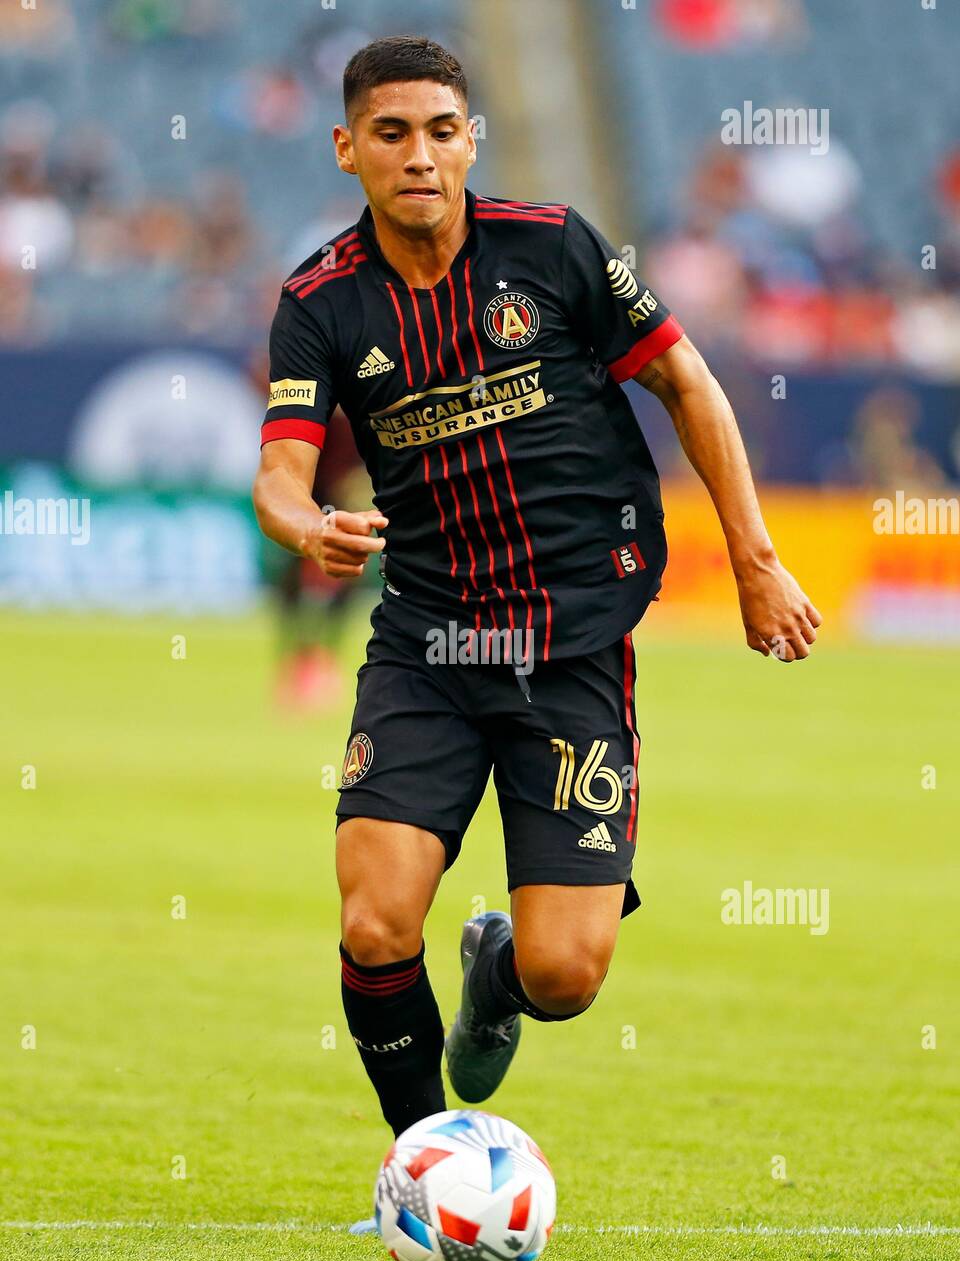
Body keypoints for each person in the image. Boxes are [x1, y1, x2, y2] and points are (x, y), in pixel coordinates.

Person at [251, 35, 821, 1197]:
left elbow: (688, 384)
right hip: (432, 643)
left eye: (442, 130)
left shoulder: (552, 248)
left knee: (568, 976)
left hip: (571, 648)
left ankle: (499, 971)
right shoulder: (318, 302)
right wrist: (302, 522)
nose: (421, 155)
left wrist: (756, 559)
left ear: (472, 139)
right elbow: (278, 468)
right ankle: (422, 1168)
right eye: (393, 133)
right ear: (347, 147)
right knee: (372, 921)